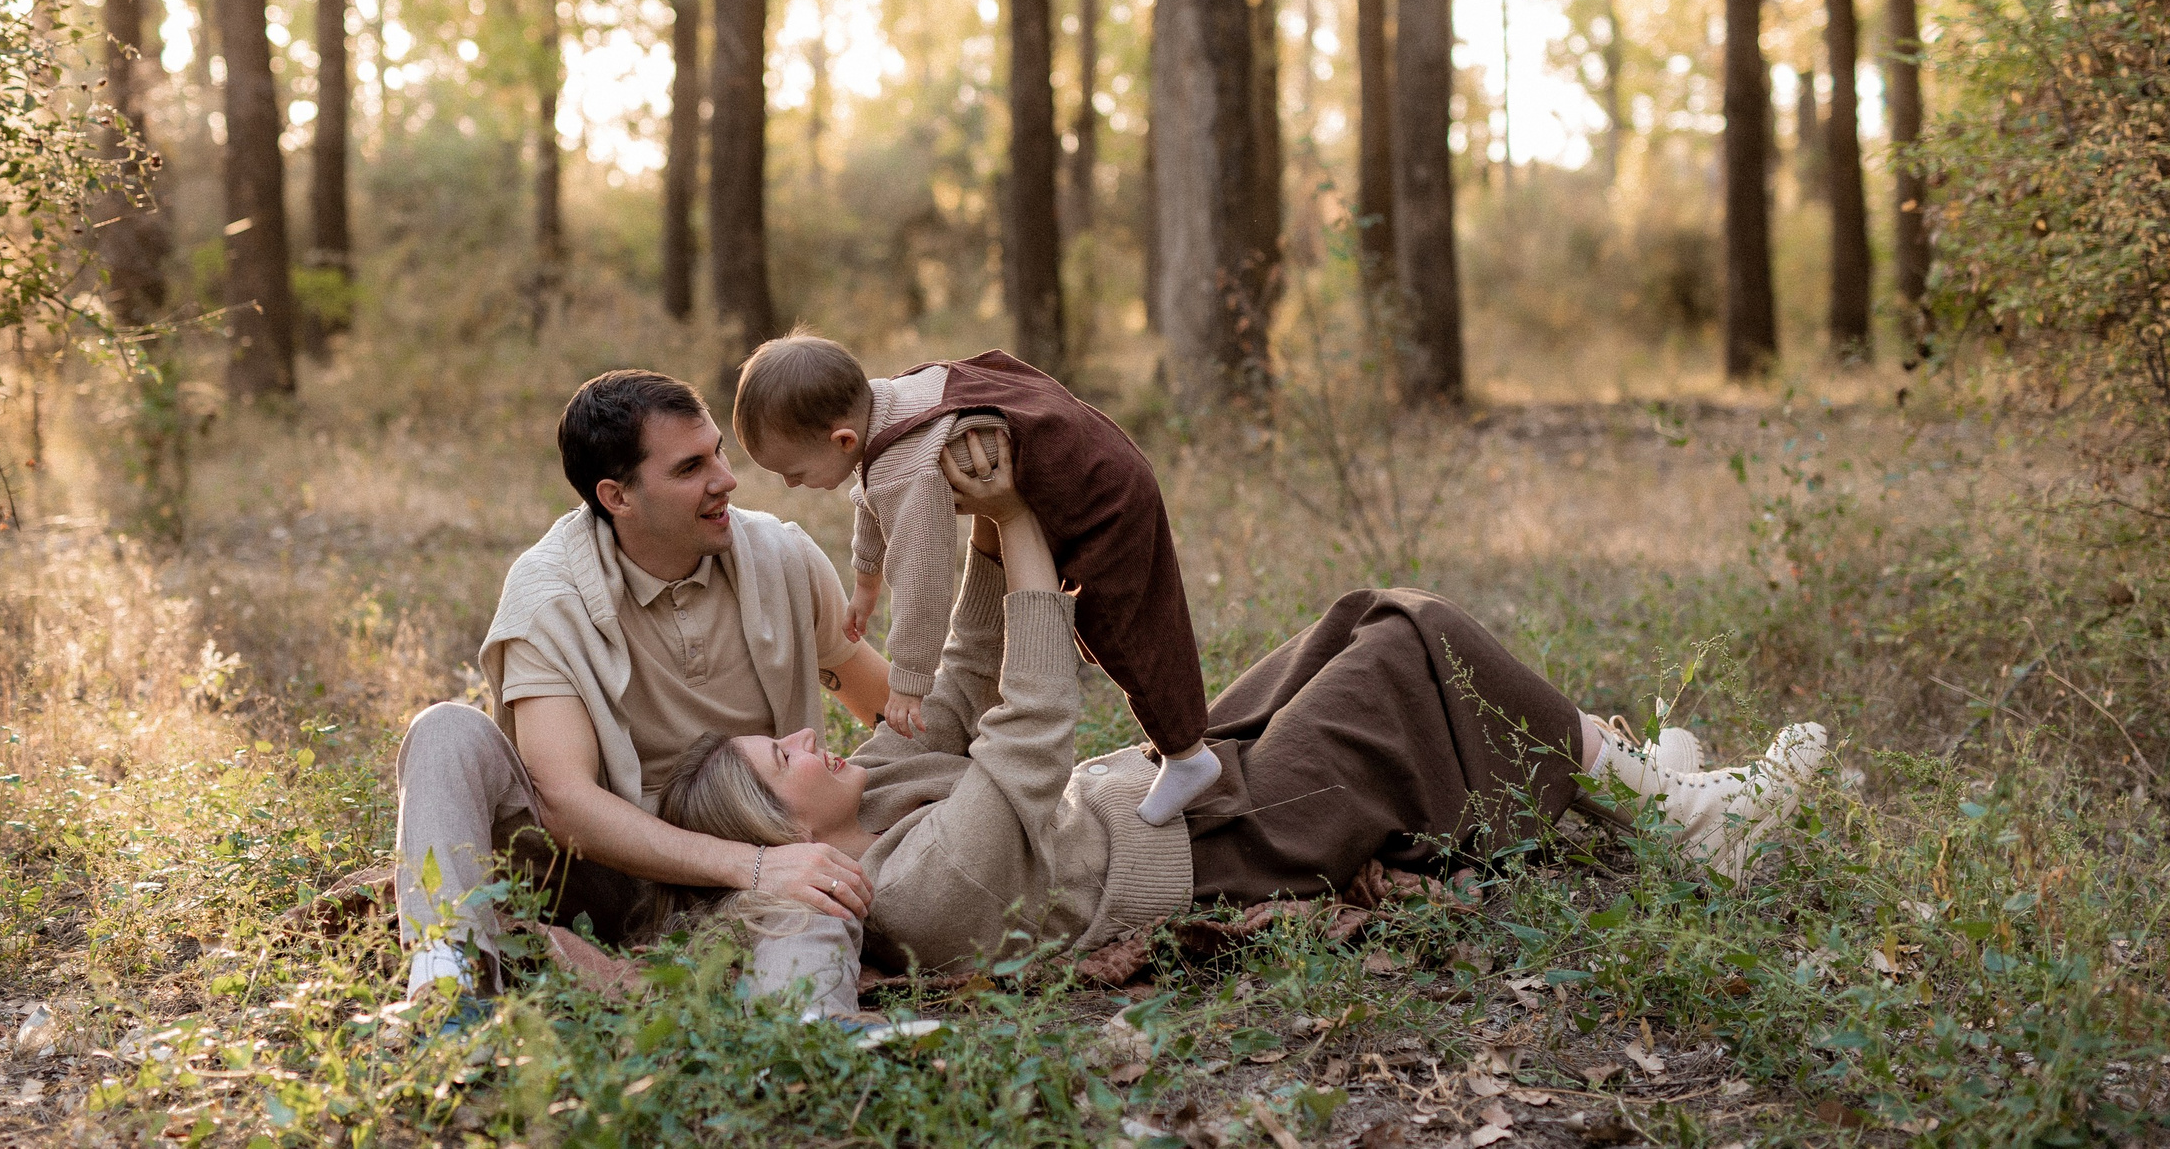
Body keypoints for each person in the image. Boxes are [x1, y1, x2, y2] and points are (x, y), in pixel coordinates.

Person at [659, 430, 1828, 1004]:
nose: (808, 733)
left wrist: (980, 525)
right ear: (783, 829)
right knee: (1412, 633)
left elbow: (964, 678)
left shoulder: (876, 791)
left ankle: (1623, 775)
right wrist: (1018, 530)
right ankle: (1679, 817)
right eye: (781, 756)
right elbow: (1028, 727)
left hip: (1172, 790)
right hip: (1230, 843)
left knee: (1353, 614)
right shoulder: (919, 893)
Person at [391, 369, 896, 1006]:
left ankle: (801, 1028)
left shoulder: (781, 558)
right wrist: (752, 866)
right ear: (617, 496)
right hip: (601, 880)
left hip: (754, 868)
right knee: (445, 729)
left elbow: (887, 705)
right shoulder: (550, 596)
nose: (725, 480)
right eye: (690, 468)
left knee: (805, 890)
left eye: (718, 452)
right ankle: (447, 991)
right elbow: (565, 801)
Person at [732, 335, 1220, 826]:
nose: (790, 484)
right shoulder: (884, 405)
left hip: (1099, 498)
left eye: (794, 472)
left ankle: (1187, 756)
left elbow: (922, 582)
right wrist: (865, 582)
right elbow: (871, 492)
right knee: (1110, 630)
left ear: (842, 440)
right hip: (1089, 455)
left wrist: (909, 681)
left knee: (1126, 633)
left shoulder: (904, 468)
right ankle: (1179, 746)